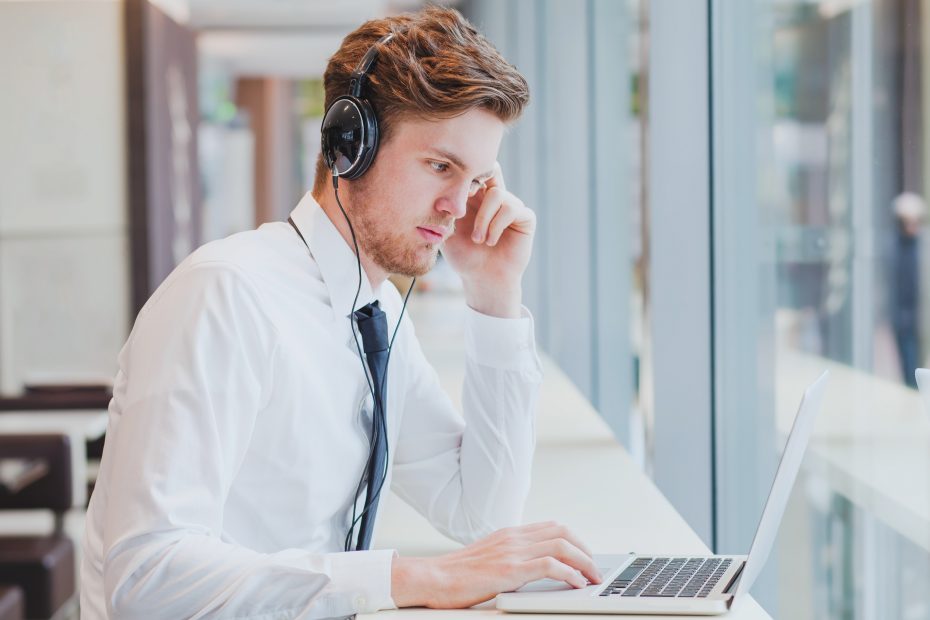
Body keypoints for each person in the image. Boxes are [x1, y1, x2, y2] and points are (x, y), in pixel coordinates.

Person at [81, 6, 601, 618]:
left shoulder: (373, 311)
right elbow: (147, 579)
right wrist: (413, 578)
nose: (458, 207)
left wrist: (494, 292)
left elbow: (481, 514)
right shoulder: (226, 296)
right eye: (441, 167)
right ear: (350, 145)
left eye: (476, 181)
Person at [892, 192, 925, 388]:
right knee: (908, 367)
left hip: (920, 315)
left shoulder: (923, 246)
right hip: (902, 316)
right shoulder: (893, 247)